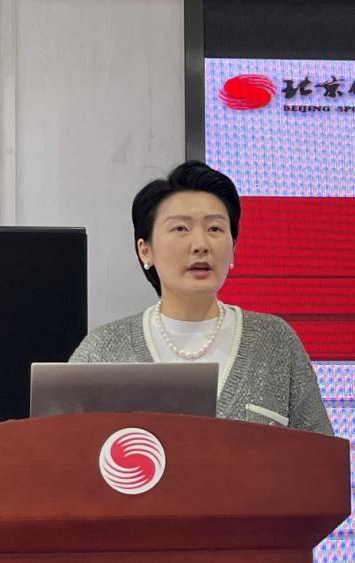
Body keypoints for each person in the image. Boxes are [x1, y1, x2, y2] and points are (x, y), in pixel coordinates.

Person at [70, 161, 333, 435]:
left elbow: (322, 454)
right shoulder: (102, 350)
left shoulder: (275, 341)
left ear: (234, 247)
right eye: (180, 229)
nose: (201, 245)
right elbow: (61, 448)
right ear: (145, 249)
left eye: (215, 229)